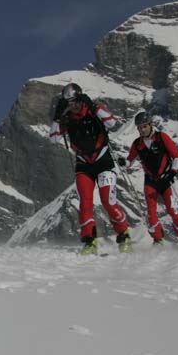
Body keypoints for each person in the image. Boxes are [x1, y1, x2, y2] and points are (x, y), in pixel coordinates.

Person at [50, 83, 131, 255]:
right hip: (83, 164)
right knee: (85, 203)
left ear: (81, 99)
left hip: (103, 161)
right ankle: (89, 242)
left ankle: (124, 235)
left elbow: (112, 123)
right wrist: (57, 117)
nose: (72, 106)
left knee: (108, 201)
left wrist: (94, 107)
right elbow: (54, 139)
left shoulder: (93, 109)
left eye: (75, 101)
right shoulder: (67, 118)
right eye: (68, 103)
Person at [118, 112, 178, 250]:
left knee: (172, 211)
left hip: (165, 179)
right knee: (151, 213)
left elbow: (176, 156)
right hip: (150, 181)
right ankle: (158, 240)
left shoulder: (162, 137)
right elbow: (130, 161)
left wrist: (172, 173)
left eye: (144, 126)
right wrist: (124, 162)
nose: (142, 130)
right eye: (139, 128)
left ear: (150, 125)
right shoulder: (137, 144)